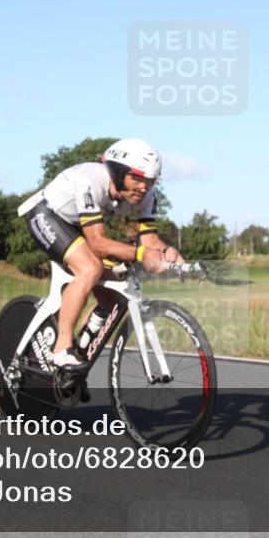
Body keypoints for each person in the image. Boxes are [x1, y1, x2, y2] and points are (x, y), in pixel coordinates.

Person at [23, 138, 183, 368]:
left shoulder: (147, 196)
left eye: (150, 180)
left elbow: (149, 240)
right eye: (137, 178)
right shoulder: (89, 181)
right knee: (90, 268)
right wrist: (140, 255)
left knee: (111, 299)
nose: (143, 187)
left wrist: (168, 252)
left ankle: (78, 356)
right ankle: (61, 348)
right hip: (47, 215)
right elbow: (97, 242)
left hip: (77, 227)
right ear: (118, 172)